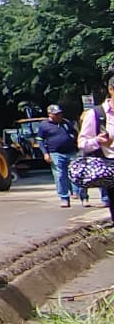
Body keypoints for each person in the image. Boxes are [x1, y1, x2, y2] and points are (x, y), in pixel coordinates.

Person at [77, 70, 114, 225]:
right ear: (111, 90)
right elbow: (82, 143)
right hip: (110, 167)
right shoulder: (96, 114)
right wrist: (97, 141)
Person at [39, 104, 86, 208]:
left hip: (71, 152)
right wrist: (45, 153)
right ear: (50, 114)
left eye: (60, 113)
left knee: (77, 174)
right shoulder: (44, 125)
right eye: (56, 114)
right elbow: (40, 140)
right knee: (60, 176)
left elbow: (75, 134)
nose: (59, 116)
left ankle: (81, 196)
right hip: (55, 153)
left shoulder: (66, 122)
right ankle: (64, 198)